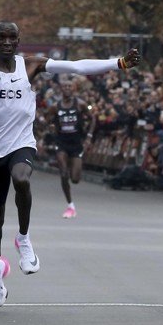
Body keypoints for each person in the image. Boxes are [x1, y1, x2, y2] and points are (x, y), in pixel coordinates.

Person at [0, 20, 140, 307]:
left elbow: (75, 67)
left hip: (21, 143)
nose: (7, 43)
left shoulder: (32, 65)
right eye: (1, 38)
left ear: (18, 41)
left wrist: (119, 63)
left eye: (12, 38)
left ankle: (24, 239)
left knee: (22, 179)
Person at [44, 78, 94, 219]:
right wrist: (51, 127)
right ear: (60, 89)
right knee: (64, 172)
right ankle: (70, 205)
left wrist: (89, 136)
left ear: (74, 89)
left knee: (75, 179)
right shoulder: (55, 106)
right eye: (64, 86)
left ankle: (73, 168)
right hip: (61, 142)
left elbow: (93, 118)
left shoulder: (80, 104)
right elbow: (47, 120)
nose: (66, 88)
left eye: (69, 86)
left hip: (76, 143)